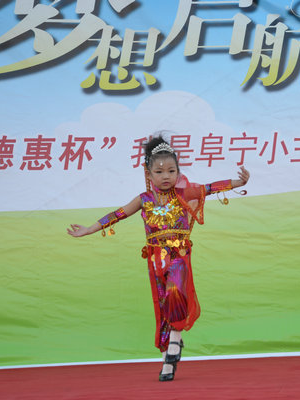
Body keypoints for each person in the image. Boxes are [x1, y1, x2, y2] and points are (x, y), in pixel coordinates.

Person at [67, 135, 250, 381]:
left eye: (171, 171)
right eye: (159, 171)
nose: (166, 176)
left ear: (178, 172)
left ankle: (175, 341)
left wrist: (238, 182)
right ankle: (169, 357)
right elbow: (118, 214)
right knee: (164, 305)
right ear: (149, 173)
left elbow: (210, 188)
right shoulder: (144, 200)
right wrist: (89, 229)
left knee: (175, 291)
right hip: (155, 260)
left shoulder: (184, 193)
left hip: (179, 255)